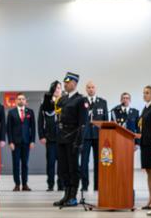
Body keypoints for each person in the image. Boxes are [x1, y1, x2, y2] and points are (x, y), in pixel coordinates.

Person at [53, 73, 88, 207]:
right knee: (63, 168)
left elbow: (83, 124)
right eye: (65, 82)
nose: (65, 84)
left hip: (73, 138)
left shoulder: (80, 100)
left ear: (74, 83)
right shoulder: (63, 99)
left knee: (73, 168)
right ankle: (66, 194)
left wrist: (78, 142)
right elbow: (52, 108)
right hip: (62, 137)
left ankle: (73, 196)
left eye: (68, 82)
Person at [3, 93, 38, 191]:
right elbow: (8, 129)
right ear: (16, 101)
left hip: (26, 142)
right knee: (16, 164)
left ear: (25, 101)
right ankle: (17, 184)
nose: (21, 100)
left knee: (25, 164)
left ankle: (25, 184)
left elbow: (33, 128)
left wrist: (32, 141)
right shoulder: (11, 112)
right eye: (19, 99)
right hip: (15, 142)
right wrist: (10, 142)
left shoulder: (30, 112)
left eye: (23, 99)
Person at [81, 82, 109, 193]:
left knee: (98, 162)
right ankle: (84, 185)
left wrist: (106, 135)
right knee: (84, 162)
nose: (91, 89)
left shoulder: (102, 102)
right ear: (86, 89)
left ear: (95, 88)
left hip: (99, 136)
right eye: (88, 87)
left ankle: (98, 185)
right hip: (85, 136)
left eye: (92, 87)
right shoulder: (81, 102)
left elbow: (106, 120)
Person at [38, 82, 59, 191]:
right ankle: (50, 185)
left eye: (59, 87)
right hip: (50, 138)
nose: (57, 89)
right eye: (55, 88)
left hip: (62, 138)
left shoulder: (65, 102)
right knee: (50, 163)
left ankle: (62, 185)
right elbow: (40, 120)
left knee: (62, 164)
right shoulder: (46, 103)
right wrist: (41, 135)